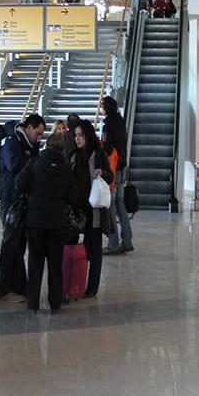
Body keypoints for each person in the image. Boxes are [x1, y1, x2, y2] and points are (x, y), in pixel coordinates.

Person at [15, 132, 77, 313]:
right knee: (55, 264)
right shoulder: (66, 168)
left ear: (47, 145)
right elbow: (73, 195)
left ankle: (33, 303)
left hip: (35, 220)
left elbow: (19, 183)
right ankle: (55, 303)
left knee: (35, 262)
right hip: (57, 221)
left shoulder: (35, 162)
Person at [0, 113, 45, 301]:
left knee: (19, 244)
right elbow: (15, 165)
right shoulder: (12, 141)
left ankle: (18, 285)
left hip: (23, 200)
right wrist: (33, 161)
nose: (39, 137)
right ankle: (2, 286)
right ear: (29, 127)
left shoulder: (29, 144)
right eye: (38, 133)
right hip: (10, 200)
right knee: (10, 243)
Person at [69, 120, 113, 298]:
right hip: (76, 212)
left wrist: (102, 173)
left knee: (94, 250)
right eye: (76, 135)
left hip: (93, 210)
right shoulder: (73, 155)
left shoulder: (98, 153)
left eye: (80, 135)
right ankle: (76, 283)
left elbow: (110, 176)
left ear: (87, 135)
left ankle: (92, 287)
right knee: (77, 249)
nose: (78, 139)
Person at [101, 96, 133, 256]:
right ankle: (127, 241)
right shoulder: (120, 122)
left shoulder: (108, 125)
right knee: (121, 205)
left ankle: (113, 244)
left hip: (112, 169)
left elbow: (108, 149)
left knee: (110, 206)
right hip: (122, 167)